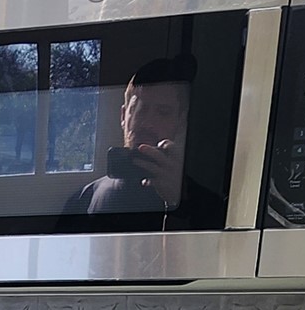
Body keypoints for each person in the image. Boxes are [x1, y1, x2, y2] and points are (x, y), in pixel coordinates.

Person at [61, 56, 222, 231]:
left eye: (163, 112)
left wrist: (178, 204)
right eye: (140, 109)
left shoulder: (209, 207)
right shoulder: (82, 202)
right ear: (124, 116)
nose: (148, 123)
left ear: (180, 122)